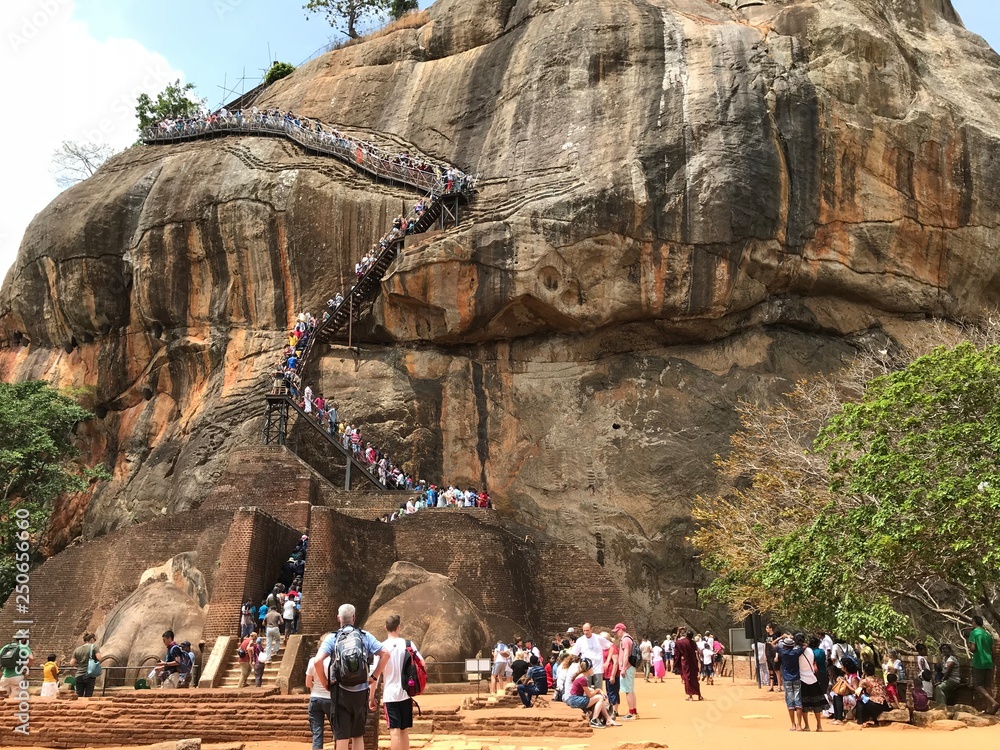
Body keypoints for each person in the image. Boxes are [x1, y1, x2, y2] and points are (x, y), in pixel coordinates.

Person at [313, 603, 390, 750]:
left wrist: (326, 684)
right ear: (354, 618)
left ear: (338, 618)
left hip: (340, 692)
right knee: (358, 735)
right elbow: (385, 654)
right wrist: (373, 677)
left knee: (341, 736)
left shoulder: (332, 638)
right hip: (361, 692)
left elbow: (317, 661)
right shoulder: (364, 636)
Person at [372, 615, 423, 750]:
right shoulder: (408, 644)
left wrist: (371, 696)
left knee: (394, 731)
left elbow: (375, 675)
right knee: (404, 731)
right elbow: (422, 663)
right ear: (399, 627)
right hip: (406, 692)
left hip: (390, 695)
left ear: (385, 628)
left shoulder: (381, 647)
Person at [564, 658, 620, 728]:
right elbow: (589, 695)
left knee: (600, 698)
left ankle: (608, 719)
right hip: (575, 700)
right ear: (588, 669)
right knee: (600, 698)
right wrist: (598, 690)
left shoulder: (580, 676)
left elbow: (589, 689)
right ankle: (594, 720)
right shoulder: (582, 679)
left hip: (573, 699)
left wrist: (599, 691)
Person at [306, 633, 333, 750]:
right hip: (330, 699)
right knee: (338, 731)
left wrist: (314, 689)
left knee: (317, 733)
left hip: (315, 698)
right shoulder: (334, 662)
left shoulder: (313, 661)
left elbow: (307, 683)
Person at [968, 615, 999, 714]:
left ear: (974, 622)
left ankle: (993, 702)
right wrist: (992, 661)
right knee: (987, 686)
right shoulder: (987, 634)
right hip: (989, 662)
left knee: (978, 685)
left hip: (979, 662)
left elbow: (973, 648)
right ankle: (989, 709)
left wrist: (970, 646)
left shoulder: (974, 633)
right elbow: (994, 651)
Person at [775, 634, 805, 730]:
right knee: (798, 701)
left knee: (790, 701)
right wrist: (795, 640)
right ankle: (799, 725)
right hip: (796, 678)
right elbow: (805, 645)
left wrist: (781, 637)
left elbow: (771, 644)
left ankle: (793, 724)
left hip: (787, 679)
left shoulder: (782, 652)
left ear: (784, 645)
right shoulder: (796, 652)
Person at [798, 634, 824, 732]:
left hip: (802, 678)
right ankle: (819, 726)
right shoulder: (810, 650)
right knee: (816, 703)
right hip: (812, 678)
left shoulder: (797, 651)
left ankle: (807, 726)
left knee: (804, 703)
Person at [572, 623, 611, 689]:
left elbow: (611, 646)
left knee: (598, 688)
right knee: (586, 688)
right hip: (586, 668)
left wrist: (607, 661)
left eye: (587, 630)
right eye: (584, 630)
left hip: (598, 667)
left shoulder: (598, 638)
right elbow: (574, 654)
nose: (585, 632)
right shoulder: (580, 640)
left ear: (591, 630)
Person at [614, 623, 639, 720]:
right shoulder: (629, 639)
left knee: (628, 691)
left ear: (621, 630)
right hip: (630, 667)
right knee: (631, 690)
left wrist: (623, 668)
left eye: (617, 631)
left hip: (627, 667)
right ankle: (634, 711)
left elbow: (626, 655)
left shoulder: (625, 640)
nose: (617, 634)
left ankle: (631, 712)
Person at [855, 662, 890, 727]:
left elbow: (857, 692)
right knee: (867, 700)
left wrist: (862, 678)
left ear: (864, 670)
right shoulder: (879, 678)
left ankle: (860, 722)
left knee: (860, 702)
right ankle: (874, 719)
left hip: (876, 704)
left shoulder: (865, 681)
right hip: (885, 703)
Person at [673, 629, 702, 701]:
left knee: (687, 678)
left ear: (686, 635)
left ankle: (690, 696)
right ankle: (699, 695)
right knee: (694, 678)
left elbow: (675, 642)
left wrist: (678, 632)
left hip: (685, 662)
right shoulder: (693, 643)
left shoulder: (682, 642)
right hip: (693, 662)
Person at [69, 633, 100, 697]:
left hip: (79, 675)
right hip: (89, 675)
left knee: (78, 695)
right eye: (94, 639)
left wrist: (79, 663)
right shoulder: (94, 647)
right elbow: (99, 658)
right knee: (88, 695)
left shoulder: (77, 649)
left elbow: (71, 663)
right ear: (91, 639)